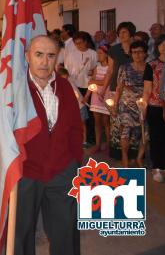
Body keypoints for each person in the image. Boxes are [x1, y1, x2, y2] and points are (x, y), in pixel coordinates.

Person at [15, 35, 82, 255]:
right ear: (28, 57)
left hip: (62, 171)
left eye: (50, 55)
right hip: (26, 172)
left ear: (57, 59)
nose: (44, 61)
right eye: (38, 54)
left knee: (65, 232)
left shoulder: (65, 87)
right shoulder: (15, 89)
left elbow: (75, 128)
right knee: (21, 232)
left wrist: (75, 164)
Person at [100, 21, 135, 160]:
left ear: (131, 33)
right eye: (120, 32)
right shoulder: (114, 50)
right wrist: (104, 89)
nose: (121, 35)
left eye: (124, 32)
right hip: (116, 88)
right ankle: (118, 152)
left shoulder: (137, 48)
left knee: (132, 122)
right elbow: (110, 71)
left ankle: (132, 153)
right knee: (116, 121)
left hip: (133, 91)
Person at [111, 40, 149, 168]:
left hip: (144, 105)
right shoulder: (125, 68)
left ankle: (139, 158)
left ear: (145, 53)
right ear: (131, 54)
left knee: (144, 133)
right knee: (125, 131)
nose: (137, 55)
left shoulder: (150, 68)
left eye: (140, 52)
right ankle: (124, 157)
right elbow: (119, 88)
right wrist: (115, 106)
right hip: (126, 105)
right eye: (134, 52)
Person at [142, 33, 165, 182]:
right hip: (155, 107)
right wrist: (144, 108)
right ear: (158, 47)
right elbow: (147, 89)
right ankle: (157, 168)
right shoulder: (151, 65)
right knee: (157, 138)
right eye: (163, 44)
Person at [82, 44, 111, 154]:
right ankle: (98, 144)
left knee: (106, 122)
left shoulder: (110, 68)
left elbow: (104, 82)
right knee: (97, 122)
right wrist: (86, 96)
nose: (98, 55)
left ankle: (108, 144)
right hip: (95, 97)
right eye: (97, 53)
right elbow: (92, 83)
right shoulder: (97, 67)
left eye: (100, 53)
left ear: (106, 54)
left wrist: (94, 82)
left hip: (105, 96)